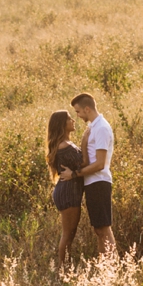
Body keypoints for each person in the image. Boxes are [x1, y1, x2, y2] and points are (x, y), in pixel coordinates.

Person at [59, 92, 116, 255]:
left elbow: (99, 164)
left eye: (78, 112)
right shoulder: (93, 128)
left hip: (99, 182)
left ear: (87, 109)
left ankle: (111, 268)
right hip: (92, 183)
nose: (77, 116)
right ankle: (107, 268)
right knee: (99, 229)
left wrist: (74, 174)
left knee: (103, 229)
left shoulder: (102, 128)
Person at [46, 109, 88, 268]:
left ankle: (66, 268)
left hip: (68, 191)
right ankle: (63, 270)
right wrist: (85, 140)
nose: (73, 121)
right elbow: (84, 163)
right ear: (62, 124)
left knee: (70, 234)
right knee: (68, 235)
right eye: (70, 119)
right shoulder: (64, 146)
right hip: (68, 192)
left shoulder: (65, 144)